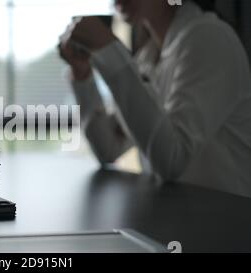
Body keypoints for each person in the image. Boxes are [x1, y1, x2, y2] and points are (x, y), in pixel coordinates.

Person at [59, 0, 251, 197]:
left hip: (226, 220)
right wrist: (82, 75)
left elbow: (171, 160)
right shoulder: (147, 58)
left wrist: (110, 51)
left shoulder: (210, 38)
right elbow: (109, 148)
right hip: (181, 215)